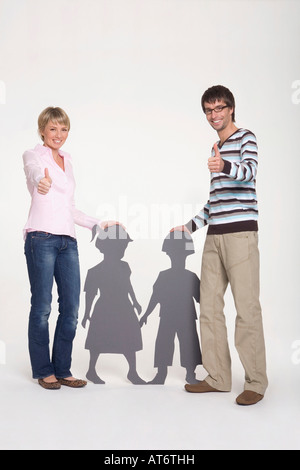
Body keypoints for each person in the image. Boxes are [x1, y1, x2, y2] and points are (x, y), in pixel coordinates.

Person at [172, 85, 268, 406]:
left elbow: (249, 173)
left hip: (241, 235)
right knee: (209, 307)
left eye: (219, 109)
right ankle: (218, 376)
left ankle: (255, 381)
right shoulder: (216, 145)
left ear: (230, 108)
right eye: (208, 111)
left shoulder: (246, 138)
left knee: (246, 308)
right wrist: (188, 227)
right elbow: (216, 201)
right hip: (214, 237)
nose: (214, 115)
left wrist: (223, 166)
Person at [23, 106, 121, 390]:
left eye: (63, 129)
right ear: (42, 130)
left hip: (68, 241)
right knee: (42, 307)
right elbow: (33, 174)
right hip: (41, 238)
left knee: (71, 308)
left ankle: (63, 368)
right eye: (52, 129)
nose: (58, 135)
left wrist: (98, 223)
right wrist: (39, 182)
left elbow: (69, 208)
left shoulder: (68, 160)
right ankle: (44, 370)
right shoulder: (33, 155)